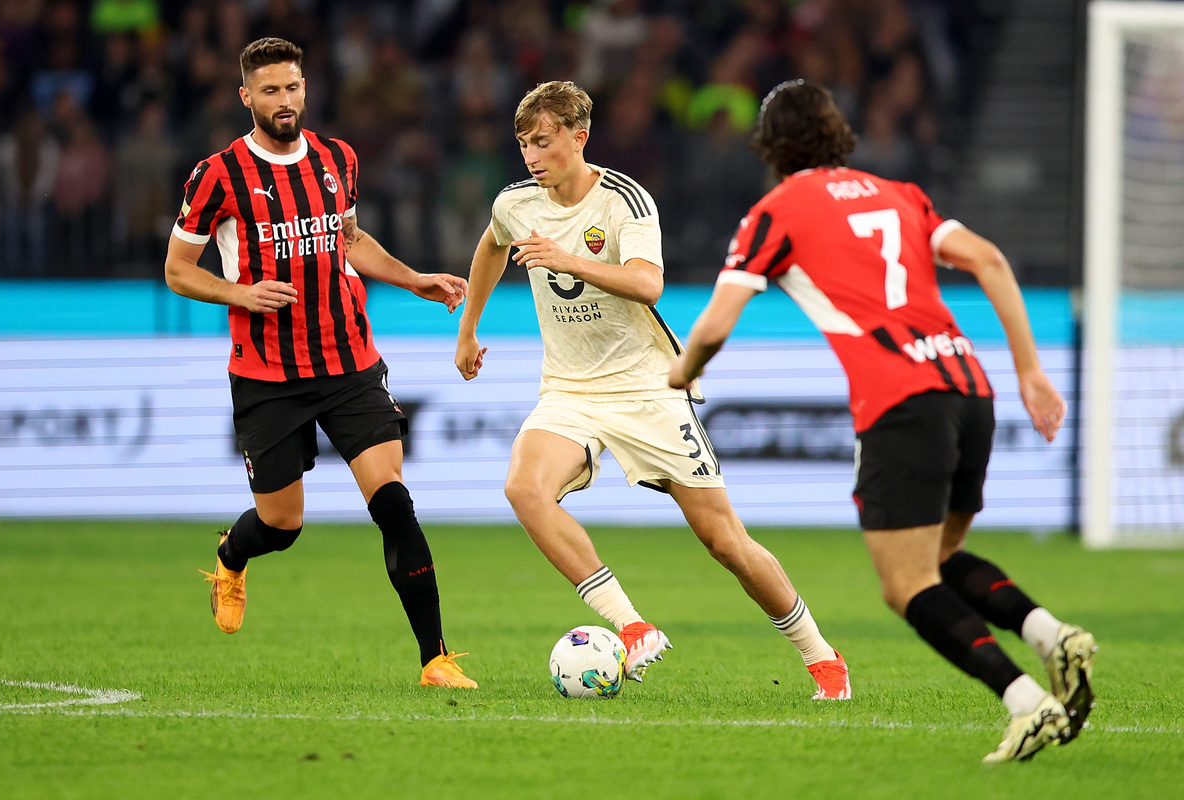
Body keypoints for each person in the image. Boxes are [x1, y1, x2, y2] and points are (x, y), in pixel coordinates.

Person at [668, 79, 1096, 762]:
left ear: (771, 146)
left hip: (903, 402)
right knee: (944, 559)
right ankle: (1050, 633)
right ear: (837, 132)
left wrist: (684, 369)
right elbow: (988, 259)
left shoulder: (776, 210)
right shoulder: (902, 195)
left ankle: (1026, 701)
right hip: (969, 386)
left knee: (907, 586)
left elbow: (717, 322)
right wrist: (1031, 372)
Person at [454, 80, 850, 698]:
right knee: (524, 490)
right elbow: (492, 244)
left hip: (647, 387)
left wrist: (567, 258)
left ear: (578, 137)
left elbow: (646, 285)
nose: (531, 155)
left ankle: (822, 656)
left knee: (726, 542)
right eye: (524, 143)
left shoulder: (623, 200)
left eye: (543, 140)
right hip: (571, 390)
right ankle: (633, 627)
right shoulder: (517, 202)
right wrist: (468, 328)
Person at [164, 38, 477, 689]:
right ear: (246, 97)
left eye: (294, 87)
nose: (286, 101)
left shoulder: (338, 159)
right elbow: (176, 270)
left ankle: (435, 659)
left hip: (349, 365)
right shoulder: (217, 175)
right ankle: (231, 554)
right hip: (267, 377)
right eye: (271, 91)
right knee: (283, 524)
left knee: (393, 502)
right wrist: (238, 293)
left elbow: (351, 240)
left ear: (307, 89)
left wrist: (413, 279)